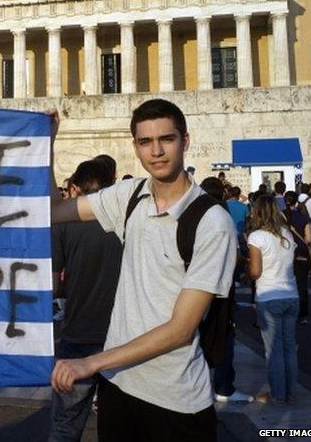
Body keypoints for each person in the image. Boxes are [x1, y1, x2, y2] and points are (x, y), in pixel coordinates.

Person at [50, 99, 236, 441]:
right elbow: (53, 211)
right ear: (135, 147)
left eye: (167, 139)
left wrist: (92, 363)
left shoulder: (213, 223)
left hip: (174, 399)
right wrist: (44, 145)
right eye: (146, 142)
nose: (157, 151)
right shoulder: (131, 195)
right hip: (119, 386)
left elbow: (181, 329)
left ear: (186, 140)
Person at [48, 159, 122, 442]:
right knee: (119, 423)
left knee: (66, 425)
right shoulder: (125, 220)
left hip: (78, 333)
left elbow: (53, 286)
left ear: (76, 188)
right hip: (123, 338)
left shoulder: (65, 226)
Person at [200, 178, 253, 405]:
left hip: (197, 285)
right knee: (224, 336)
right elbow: (233, 254)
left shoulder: (195, 214)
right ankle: (223, 386)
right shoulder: (221, 216)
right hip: (221, 288)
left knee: (199, 337)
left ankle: (202, 386)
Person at [246, 195, 299, 404]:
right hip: (291, 294)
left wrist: (246, 269)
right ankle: (290, 392)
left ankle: (277, 393)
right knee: (288, 346)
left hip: (269, 295)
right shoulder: (287, 234)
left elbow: (256, 271)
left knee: (273, 349)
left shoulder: (257, 237)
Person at [283, 191, 311, 324]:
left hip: (285, 253)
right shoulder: (303, 217)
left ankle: (287, 311)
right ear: (297, 202)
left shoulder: (280, 216)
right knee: (302, 284)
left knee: (285, 283)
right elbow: (308, 239)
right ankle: (303, 314)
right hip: (301, 252)